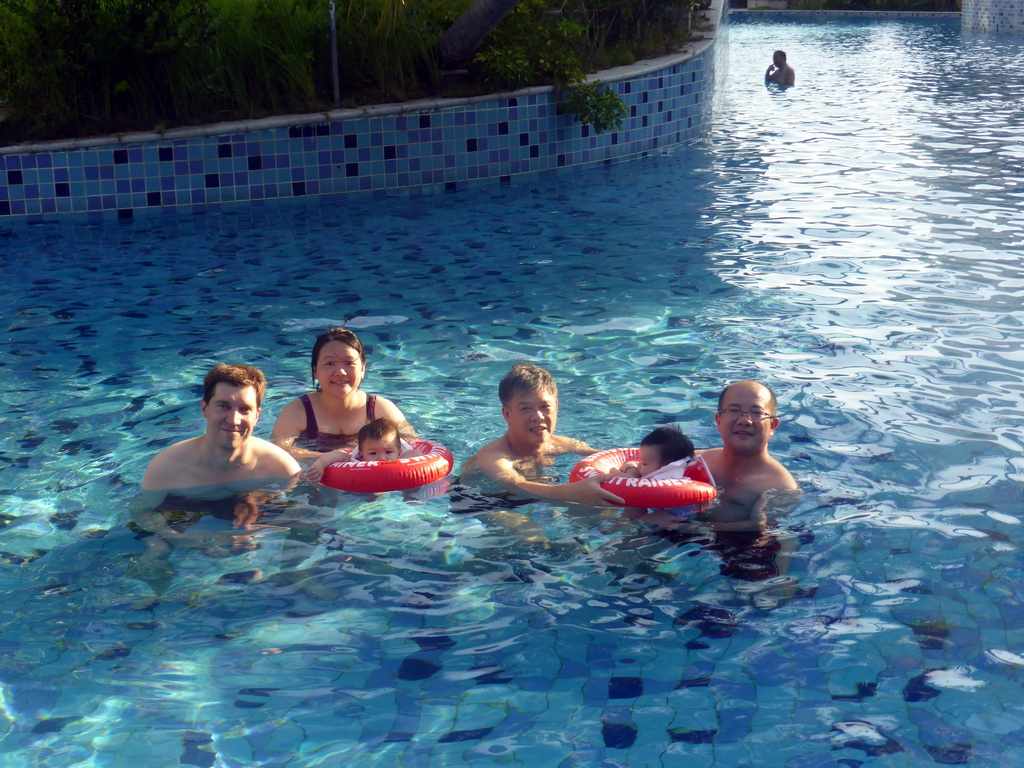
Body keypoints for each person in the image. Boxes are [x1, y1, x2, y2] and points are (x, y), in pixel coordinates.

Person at [464, 363, 623, 506]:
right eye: (525, 409)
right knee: (530, 535)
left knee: (604, 507)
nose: (538, 416)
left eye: (545, 407)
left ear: (556, 407)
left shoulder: (563, 444)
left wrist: (630, 466)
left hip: (537, 498)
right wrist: (572, 493)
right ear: (507, 414)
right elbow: (515, 485)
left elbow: (610, 457)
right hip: (485, 501)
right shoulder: (494, 456)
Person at [142, 363, 301, 497]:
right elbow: (145, 519)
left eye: (244, 409)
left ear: (257, 415)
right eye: (224, 406)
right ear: (205, 408)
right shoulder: (165, 468)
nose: (233, 420)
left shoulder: (281, 468)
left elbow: (297, 519)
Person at [272, 327, 413, 457]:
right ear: (315, 371)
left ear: (363, 369)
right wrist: (328, 458)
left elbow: (414, 446)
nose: (340, 372)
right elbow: (278, 453)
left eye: (349, 363)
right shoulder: (297, 412)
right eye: (329, 364)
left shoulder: (380, 409)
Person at [696, 379, 800, 527]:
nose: (745, 420)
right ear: (718, 420)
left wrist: (691, 529)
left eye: (757, 412)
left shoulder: (780, 486)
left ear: (772, 426)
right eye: (734, 410)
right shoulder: (695, 461)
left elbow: (759, 533)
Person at [306, 417, 424, 482]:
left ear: (398, 452)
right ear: (362, 456)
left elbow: (416, 454)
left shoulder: (403, 455)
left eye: (388, 452)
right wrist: (320, 464)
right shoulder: (357, 461)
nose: (381, 458)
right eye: (373, 453)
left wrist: (401, 465)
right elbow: (336, 455)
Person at [612, 424, 696, 479]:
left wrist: (615, 472)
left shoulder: (666, 479)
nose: (639, 465)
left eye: (644, 463)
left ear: (666, 467)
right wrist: (630, 468)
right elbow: (632, 463)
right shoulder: (652, 470)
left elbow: (625, 479)